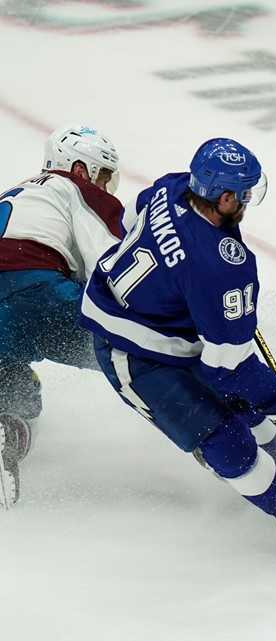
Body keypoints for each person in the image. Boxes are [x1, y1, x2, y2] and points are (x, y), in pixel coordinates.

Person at [78, 138, 276, 558]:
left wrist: (194, 297)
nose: (249, 200)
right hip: (131, 351)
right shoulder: (218, 266)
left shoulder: (172, 187)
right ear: (225, 197)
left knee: (244, 407)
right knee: (223, 439)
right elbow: (227, 368)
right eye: (245, 193)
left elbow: (133, 224)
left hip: (164, 320)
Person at [0, 124, 125, 509]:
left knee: (15, 387)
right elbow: (117, 268)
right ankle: (231, 431)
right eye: (103, 174)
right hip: (37, 294)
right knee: (146, 359)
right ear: (80, 169)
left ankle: (10, 426)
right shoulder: (76, 188)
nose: (105, 186)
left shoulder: (15, 192)